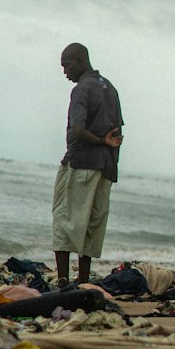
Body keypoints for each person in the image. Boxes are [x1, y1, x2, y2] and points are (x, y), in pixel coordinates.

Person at [52, 43, 123, 287]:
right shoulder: (110, 88)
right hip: (105, 168)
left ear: (80, 61)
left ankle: (62, 282)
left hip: (80, 163)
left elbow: (79, 129)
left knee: (65, 222)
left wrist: (98, 140)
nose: (64, 72)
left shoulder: (82, 89)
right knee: (91, 227)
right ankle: (82, 282)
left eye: (66, 65)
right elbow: (117, 134)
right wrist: (110, 160)